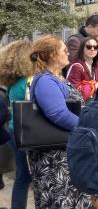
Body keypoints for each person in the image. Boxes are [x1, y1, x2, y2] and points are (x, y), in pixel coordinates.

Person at [28, 35, 91, 208]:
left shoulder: (56, 78)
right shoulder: (45, 81)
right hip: (54, 159)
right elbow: (58, 114)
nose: (68, 53)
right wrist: (87, 127)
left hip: (65, 154)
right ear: (52, 54)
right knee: (60, 201)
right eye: (64, 50)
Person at [0, 40, 34, 209]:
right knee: (25, 178)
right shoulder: (28, 81)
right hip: (26, 133)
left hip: (15, 130)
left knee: (22, 177)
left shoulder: (14, 83)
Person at [66, 37, 98, 102]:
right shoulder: (77, 66)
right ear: (82, 49)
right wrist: (93, 86)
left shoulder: (97, 66)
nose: (92, 49)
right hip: (80, 107)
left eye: (95, 47)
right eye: (89, 47)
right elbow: (73, 91)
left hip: (94, 105)